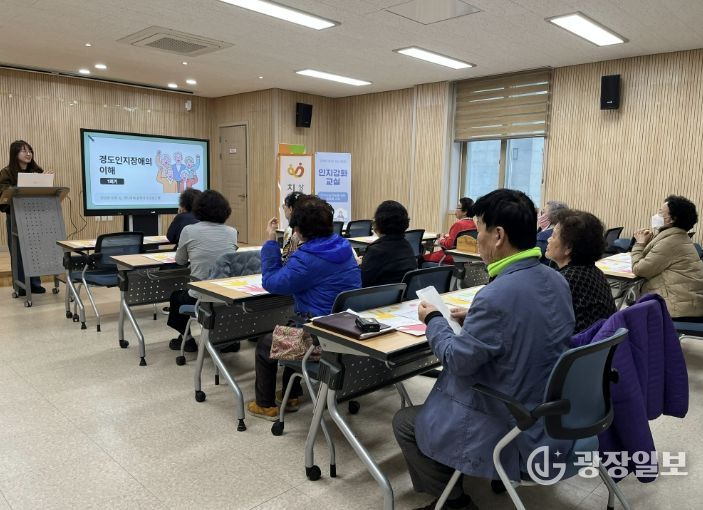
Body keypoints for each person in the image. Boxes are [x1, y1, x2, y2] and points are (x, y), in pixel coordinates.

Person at [393, 189, 575, 510]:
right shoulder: (556, 279)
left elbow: (457, 360)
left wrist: (434, 319)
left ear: (498, 235)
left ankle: (453, 502)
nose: (476, 239)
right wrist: (474, 318)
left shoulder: (497, 294)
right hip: (547, 407)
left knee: (406, 422)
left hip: (509, 417)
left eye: (478, 230)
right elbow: (524, 326)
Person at [248, 196, 361, 421]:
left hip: (321, 339)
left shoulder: (307, 258)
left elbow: (271, 282)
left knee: (266, 344)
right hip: (346, 329)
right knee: (292, 326)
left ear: (297, 229)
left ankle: (265, 405)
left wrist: (270, 242)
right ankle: (290, 395)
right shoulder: (344, 246)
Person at [166, 190, 238, 352]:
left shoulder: (189, 230)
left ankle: (187, 340)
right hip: (227, 295)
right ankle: (226, 339)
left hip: (201, 296)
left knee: (176, 297)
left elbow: (180, 261)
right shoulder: (232, 232)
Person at [631, 195, 703, 321]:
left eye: (660, 212)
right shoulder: (678, 237)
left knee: (628, 318)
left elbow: (640, 269)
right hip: (687, 302)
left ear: (672, 219)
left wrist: (640, 244)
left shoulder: (670, 242)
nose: (656, 216)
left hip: (677, 308)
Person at [546, 209, 617, 332]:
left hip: (577, 342)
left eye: (553, 235)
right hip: (600, 341)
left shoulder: (563, 281)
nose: (548, 239)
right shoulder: (596, 272)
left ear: (568, 247)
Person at [0, 140, 47, 295]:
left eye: (30, 150)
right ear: (15, 154)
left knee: (35, 250)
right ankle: (20, 285)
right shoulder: (6, 172)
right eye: (24, 150)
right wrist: (19, 188)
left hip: (34, 215)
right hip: (16, 215)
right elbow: (3, 194)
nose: (28, 154)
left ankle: (34, 283)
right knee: (18, 251)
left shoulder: (37, 171)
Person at [359, 200, 417, 286]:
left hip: (380, 294)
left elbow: (362, 282)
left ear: (379, 223)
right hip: (404, 293)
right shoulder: (406, 245)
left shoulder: (375, 250)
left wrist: (359, 265)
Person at [423, 197, 477, 265]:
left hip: (451, 256)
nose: (455, 210)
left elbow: (449, 245)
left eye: (457, 207)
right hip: (464, 258)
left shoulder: (458, 224)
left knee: (421, 258)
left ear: (465, 212)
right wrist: (445, 237)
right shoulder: (473, 224)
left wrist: (441, 239)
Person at [280, 191, 305, 264]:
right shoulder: (288, 230)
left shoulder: (303, 232)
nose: (283, 208)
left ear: (290, 209)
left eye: (284, 206)